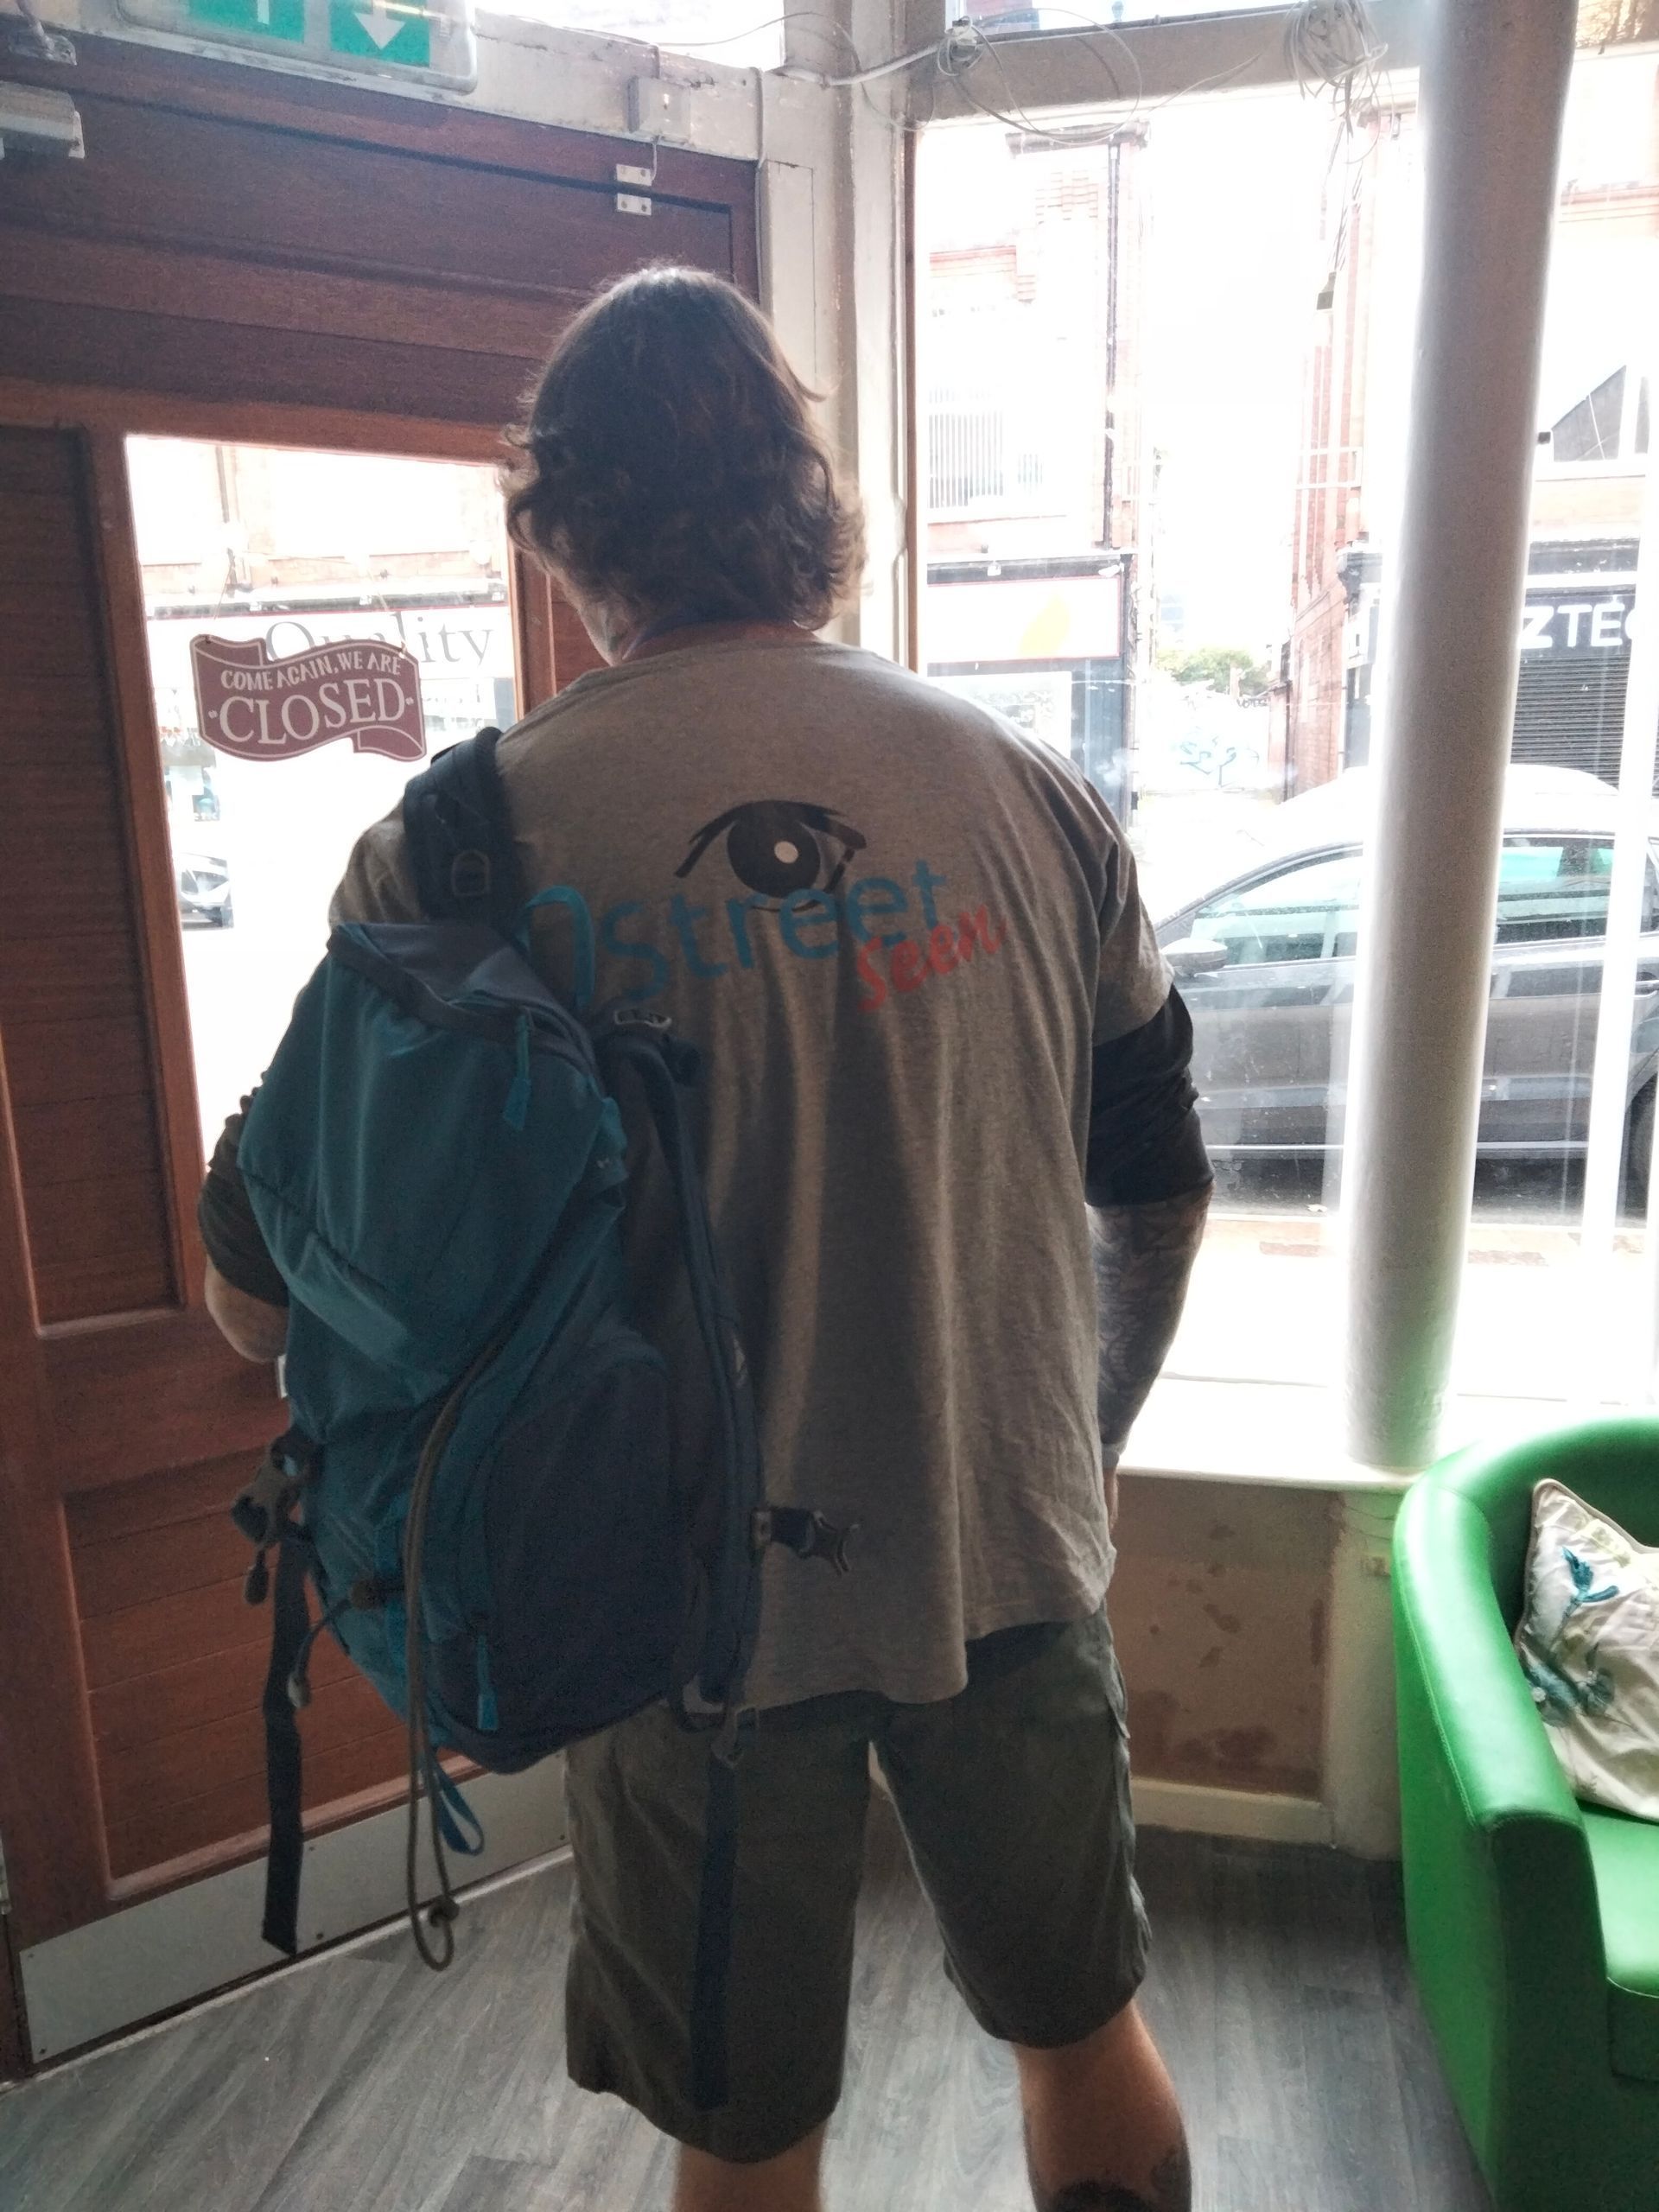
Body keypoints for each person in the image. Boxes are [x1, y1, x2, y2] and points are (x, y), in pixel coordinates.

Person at [199, 266, 1211, 2212]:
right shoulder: (1032, 793)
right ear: (812, 504)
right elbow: (1156, 1171)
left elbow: (262, 1275)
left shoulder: (458, 845)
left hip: (667, 1609)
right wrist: (1089, 1435)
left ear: (565, 530)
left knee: (742, 2129)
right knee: (1083, 2028)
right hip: (1008, 1551)